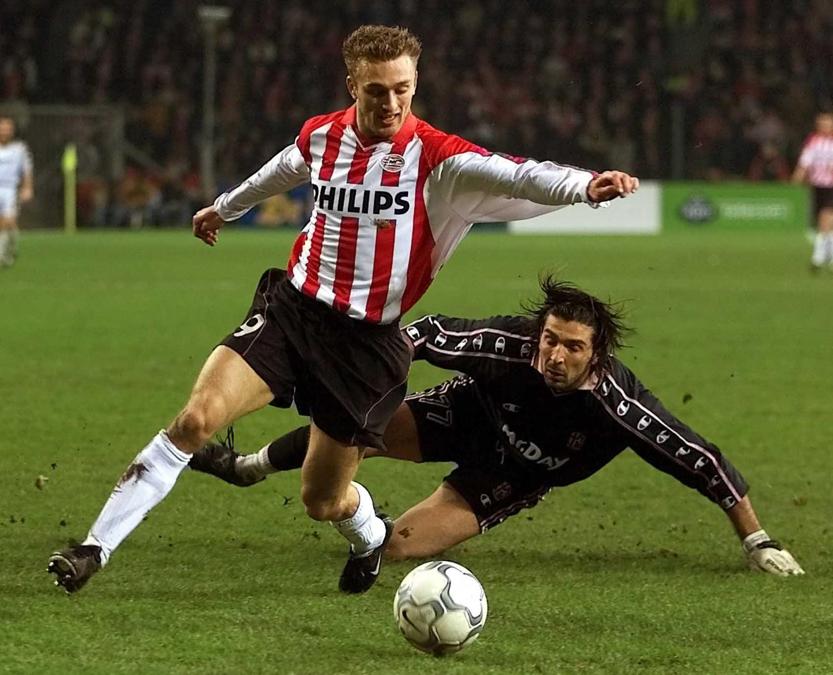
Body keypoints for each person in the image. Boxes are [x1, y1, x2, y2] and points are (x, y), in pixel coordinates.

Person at [47, 25, 639, 595]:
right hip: (293, 313)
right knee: (196, 420)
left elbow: (519, 175)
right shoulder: (323, 135)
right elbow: (282, 168)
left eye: (402, 89)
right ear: (352, 85)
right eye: (376, 90)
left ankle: (369, 533)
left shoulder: (437, 158)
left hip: (365, 350)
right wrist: (222, 209)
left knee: (322, 500)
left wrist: (586, 186)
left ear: (415, 82)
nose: (391, 103)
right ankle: (93, 548)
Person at [191, 277, 804, 577]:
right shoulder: (509, 346)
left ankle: (363, 532)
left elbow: (701, 458)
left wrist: (758, 542)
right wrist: (364, 370)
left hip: (510, 475)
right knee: (359, 427)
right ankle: (246, 467)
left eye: (571, 348)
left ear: (597, 355)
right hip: (465, 416)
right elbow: (424, 334)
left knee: (398, 547)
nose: (554, 356)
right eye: (549, 341)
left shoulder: (618, 407)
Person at [793, 111, 833, 271]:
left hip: (831, 185)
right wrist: (798, 177)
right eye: (823, 124)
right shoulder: (814, 142)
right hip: (818, 185)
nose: (826, 126)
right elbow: (805, 162)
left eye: (828, 123)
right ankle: (826, 255)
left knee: (826, 216)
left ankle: (818, 255)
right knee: (824, 219)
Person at [0, 117, 33, 268]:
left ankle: (8, 249)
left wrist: (27, 187)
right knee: (3, 222)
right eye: (2, 128)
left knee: (9, 222)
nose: (4, 131)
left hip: (10, 189)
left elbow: (26, 170)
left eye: (7, 128)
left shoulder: (19, 149)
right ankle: (4, 254)